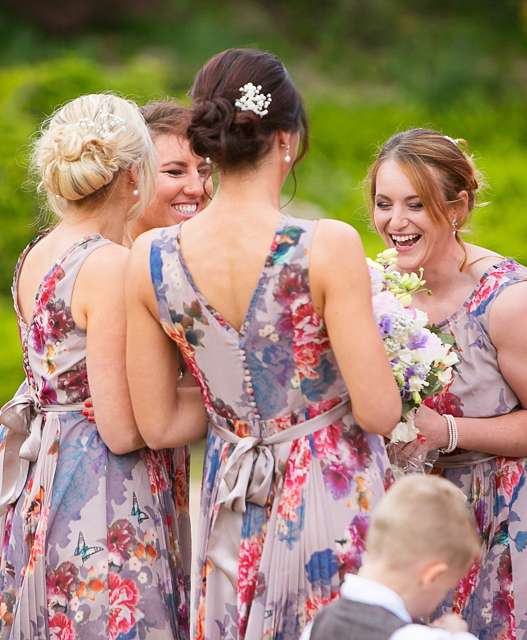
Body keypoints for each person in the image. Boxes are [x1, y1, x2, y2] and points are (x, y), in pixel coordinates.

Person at [125, 48, 402, 640]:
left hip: (232, 495)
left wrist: (246, 404)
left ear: (207, 142)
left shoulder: (153, 257)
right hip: (331, 490)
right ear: (289, 139)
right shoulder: (327, 244)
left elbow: (158, 423)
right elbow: (380, 411)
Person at [0, 93, 201, 640]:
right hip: (96, 483)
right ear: (130, 175)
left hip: (35, 460)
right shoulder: (112, 265)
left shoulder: (39, 250)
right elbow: (122, 430)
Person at [365, 128, 527, 640]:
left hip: (506, 515)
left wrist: (449, 432)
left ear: (456, 208)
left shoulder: (507, 300)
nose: (395, 223)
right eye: (384, 204)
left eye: (416, 205)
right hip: (416, 522)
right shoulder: (377, 291)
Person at [301, 475, 483, 640]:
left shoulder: (316, 625)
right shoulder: (409, 635)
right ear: (431, 576)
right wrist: (457, 634)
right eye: (444, 590)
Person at [131, 100, 213, 237]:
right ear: (131, 175)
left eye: (203, 171)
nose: (197, 189)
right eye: (175, 172)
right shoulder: (102, 257)